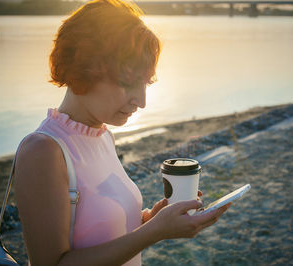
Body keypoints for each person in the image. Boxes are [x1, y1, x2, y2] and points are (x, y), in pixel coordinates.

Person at [14, 0, 231, 265]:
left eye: (146, 83)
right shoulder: (43, 151)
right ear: (84, 67)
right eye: (128, 82)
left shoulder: (103, 136)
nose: (141, 101)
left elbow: (101, 233)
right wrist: (153, 232)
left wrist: (151, 219)